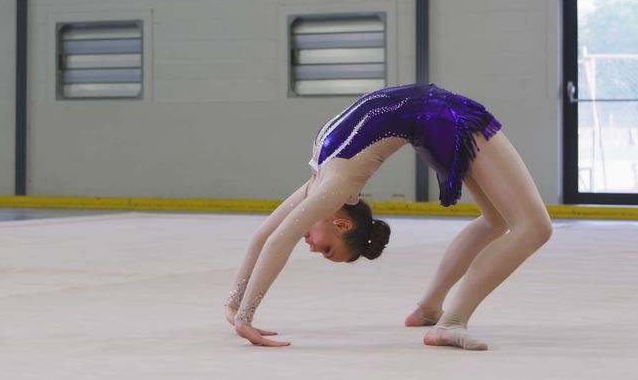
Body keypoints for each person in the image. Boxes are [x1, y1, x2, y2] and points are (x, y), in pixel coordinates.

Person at [224, 83, 553, 350]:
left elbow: (276, 239)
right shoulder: (322, 181)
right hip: (430, 120)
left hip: (445, 116)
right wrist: (236, 306)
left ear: (342, 223)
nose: (311, 247)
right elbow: (266, 237)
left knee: (525, 226)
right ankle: (438, 314)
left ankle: (440, 316)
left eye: (327, 250)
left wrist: (244, 314)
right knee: (521, 224)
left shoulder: (333, 185)